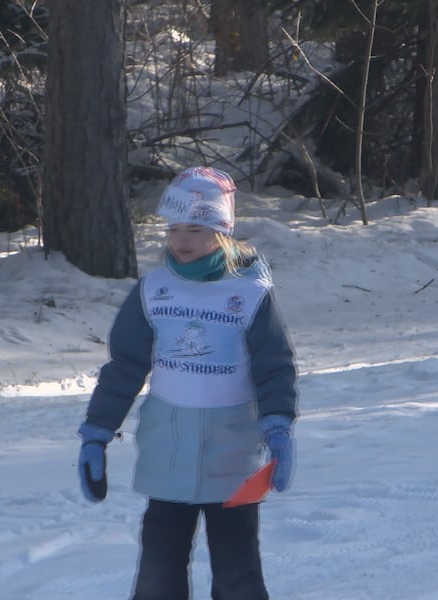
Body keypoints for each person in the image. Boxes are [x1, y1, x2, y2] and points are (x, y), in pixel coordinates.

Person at [77, 166, 298, 599]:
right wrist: (96, 434)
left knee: (238, 574)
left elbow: (274, 365)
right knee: (158, 576)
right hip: (168, 450)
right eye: (174, 228)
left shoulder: (250, 292)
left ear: (222, 230)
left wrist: (277, 426)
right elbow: (124, 367)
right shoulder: (154, 290)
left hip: (231, 451)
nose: (181, 240)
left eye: (195, 229)